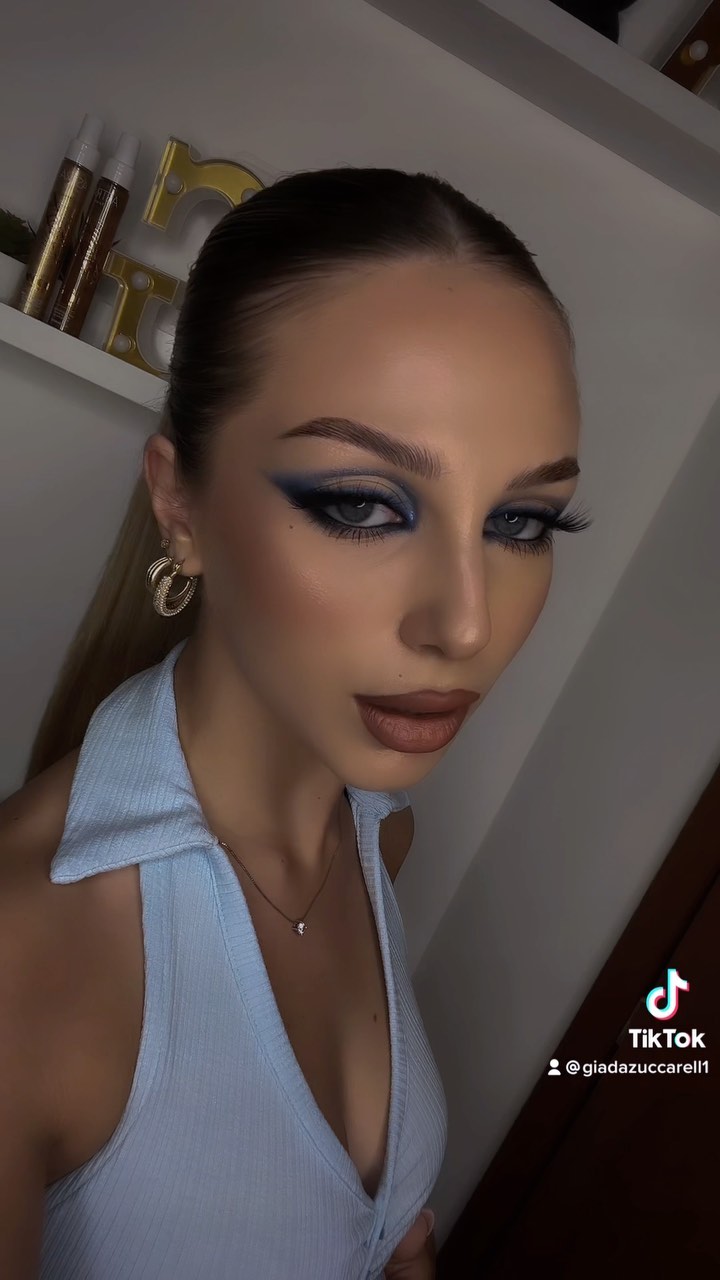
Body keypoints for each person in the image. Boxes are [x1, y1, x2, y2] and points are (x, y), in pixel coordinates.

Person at [0, 164, 592, 1279]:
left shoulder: (376, 838)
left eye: (522, 521)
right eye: (361, 503)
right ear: (180, 504)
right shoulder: (25, 957)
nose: (466, 625)